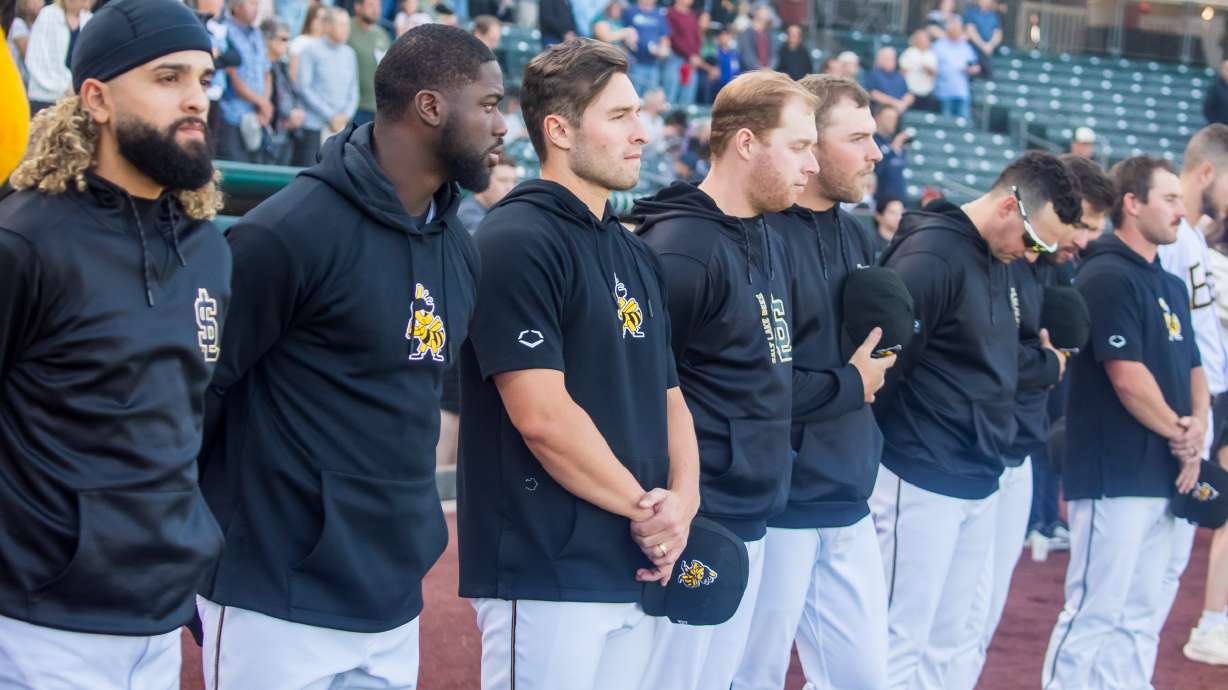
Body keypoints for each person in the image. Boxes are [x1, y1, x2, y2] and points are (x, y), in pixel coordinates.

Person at [196, 24, 505, 688]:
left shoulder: (459, 249)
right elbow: (199, 396)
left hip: (392, 596)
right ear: (430, 107)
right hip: (274, 598)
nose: (502, 124)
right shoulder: (287, 232)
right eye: (487, 103)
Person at [458, 39, 699, 690]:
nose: (643, 134)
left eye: (639, 116)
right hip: (545, 571)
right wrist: (648, 510)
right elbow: (540, 415)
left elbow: (670, 396)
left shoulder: (635, 254)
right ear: (559, 130)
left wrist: (683, 502)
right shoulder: (515, 240)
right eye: (619, 116)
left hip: (637, 565)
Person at [0, 1, 228, 686]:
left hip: (159, 623)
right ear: (95, 98)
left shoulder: (208, 252)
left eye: (205, 79)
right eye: (168, 78)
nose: (195, 100)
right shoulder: (24, 241)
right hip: (39, 630)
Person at [631, 69, 820, 690]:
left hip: (753, 512)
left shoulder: (768, 234)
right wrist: (672, 509)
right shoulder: (681, 248)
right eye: (798, 146)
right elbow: (640, 391)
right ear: (745, 143)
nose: (811, 165)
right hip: (694, 524)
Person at [872, 151, 1082, 690]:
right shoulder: (931, 255)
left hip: (978, 472)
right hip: (919, 470)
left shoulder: (1001, 260)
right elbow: (884, 367)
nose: (1036, 255)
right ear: (1010, 205)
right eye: (1036, 241)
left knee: (953, 637)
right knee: (896, 639)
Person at [731, 75, 893, 690]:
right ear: (808, 143)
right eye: (858, 138)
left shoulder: (858, 234)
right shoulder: (760, 232)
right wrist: (852, 384)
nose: (876, 153)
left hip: (849, 497)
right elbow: (753, 380)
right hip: (778, 506)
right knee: (751, 677)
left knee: (864, 679)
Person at [1043, 157, 1206, 690]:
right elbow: (1126, 377)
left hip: (1166, 471)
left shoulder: (1170, 284)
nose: (1182, 212)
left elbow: (1196, 368)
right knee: (1095, 610)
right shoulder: (1105, 273)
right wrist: (1181, 434)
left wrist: (1196, 430)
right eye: (1170, 199)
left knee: (1143, 614)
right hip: (1114, 472)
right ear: (1131, 204)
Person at [946, 209, 1082, 689]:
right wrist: (1046, 362)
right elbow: (990, 358)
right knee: (940, 619)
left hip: (1015, 448)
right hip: (965, 452)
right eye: (1079, 226)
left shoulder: (1046, 271)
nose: (1081, 240)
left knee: (980, 613)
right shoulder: (995, 265)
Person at [1159, 125, 1228, 667]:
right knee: (1156, 558)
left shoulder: (1194, 235)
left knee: (1171, 558)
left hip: (1206, 402)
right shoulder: (1175, 234)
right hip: (1184, 407)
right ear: (1207, 172)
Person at [1027, 154, 1116, 551]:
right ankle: (1039, 520)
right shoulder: (1027, 262)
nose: (1085, 240)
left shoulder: (1060, 261)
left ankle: (1045, 518)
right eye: (1081, 225)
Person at [296, 7, 359, 162]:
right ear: (328, 25)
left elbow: (354, 90)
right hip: (314, 127)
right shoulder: (310, 50)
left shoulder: (350, 54)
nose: (346, 30)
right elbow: (303, 87)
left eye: (347, 25)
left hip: (341, 128)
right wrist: (330, 115)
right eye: (341, 25)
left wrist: (345, 116)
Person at [219, 0, 272, 161]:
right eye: (251, 3)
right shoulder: (225, 31)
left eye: (257, 4)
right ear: (236, 7)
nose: (255, 9)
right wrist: (262, 103)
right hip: (233, 114)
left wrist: (265, 104)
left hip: (258, 115)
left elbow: (266, 72)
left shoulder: (257, 34)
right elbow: (231, 74)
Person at [24, 0, 92, 112]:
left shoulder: (89, 19)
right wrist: (65, 87)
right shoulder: (47, 15)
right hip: (45, 98)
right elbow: (36, 59)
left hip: (75, 99)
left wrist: (76, 88)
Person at [261, 17, 307, 165]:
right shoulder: (260, 66)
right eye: (283, 39)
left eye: (288, 40)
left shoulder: (282, 66)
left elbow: (293, 93)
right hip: (266, 136)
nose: (287, 44)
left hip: (285, 135)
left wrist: (297, 112)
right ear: (268, 39)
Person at [349, 0, 392, 126]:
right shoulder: (347, 29)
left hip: (378, 107)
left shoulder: (382, 34)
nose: (376, 9)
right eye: (371, 5)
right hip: (355, 106)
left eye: (378, 5)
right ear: (358, 7)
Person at [932, 15, 979, 120]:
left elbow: (975, 65)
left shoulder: (965, 46)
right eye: (955, 28)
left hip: (962, 91)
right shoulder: (938, 46)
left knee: (963, 124)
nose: (958, 31)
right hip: (943, 92)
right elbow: (932, 66)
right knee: (946, 123)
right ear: (948, 29)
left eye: (959, 28)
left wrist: (972, 69)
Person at [623, 0, 671, 97]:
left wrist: (662, 49)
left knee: (651, 96)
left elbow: (664, 38)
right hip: (634, 62)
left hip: (653, 64)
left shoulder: (659, 14)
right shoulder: (630, 11)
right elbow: (622, 31)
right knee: (633, 95)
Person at [456, 156, 517, 233]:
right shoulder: (467, 213)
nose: (510, 187)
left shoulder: (501, 212)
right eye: (503, 180)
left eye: (514, 181)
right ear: (484, 180)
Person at [873, 104, 910, 205]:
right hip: (880, 199)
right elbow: (876, 170)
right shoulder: (872, 141)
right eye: (889, 117)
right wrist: (892, 149)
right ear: (877, 119)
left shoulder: (896, 141)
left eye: (895, 118)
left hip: (899, 197)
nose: (893, 121)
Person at [666, 0, 701, 106]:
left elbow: (697, 37)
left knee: (687, 97)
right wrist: (690, 55)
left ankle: (682, 121)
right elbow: (673, 38)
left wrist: (696, 54)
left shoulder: (692, 15)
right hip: (675, 58)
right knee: (671, 95)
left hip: (690, 62)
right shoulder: (670, 13)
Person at [864, 47, 914, 115]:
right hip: (881, 109)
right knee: (890, 114)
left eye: (892, 59)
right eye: (887, 59)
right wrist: (895, 103)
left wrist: (903, 104)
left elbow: (909, 94)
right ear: (879, 60)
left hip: (901, 109)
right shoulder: (873, 74)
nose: (891, 61)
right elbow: (873, 94)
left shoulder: (899, 75)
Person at [899, 28, 939, 112]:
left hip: (927, 92)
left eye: (925, 39)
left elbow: (935, 74)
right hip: (910, 91)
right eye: (921, 39)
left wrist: (927, 68)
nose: (924, 41)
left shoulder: (931, 55)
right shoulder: (909, 53)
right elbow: (902, 71)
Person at [289, 1, 327, 82]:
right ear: (310, 18)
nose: (320, 22)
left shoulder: (329, 44)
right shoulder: (300, 42)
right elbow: (293, 73)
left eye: (324, 19)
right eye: (317, 17)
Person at [963, 0, 1001, 80]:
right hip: (973, 50)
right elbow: (970, 30)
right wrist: (983, 45)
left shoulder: (993, 15)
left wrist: (990, 45)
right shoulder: (971, 13)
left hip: (988, 51)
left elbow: (998, 34)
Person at [736, 4, 776, 72]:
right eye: (763, 11)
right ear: (756, 13)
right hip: (752, 74)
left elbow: (774, 54)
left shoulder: (769, 33)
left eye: (766, 12)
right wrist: (760, 68)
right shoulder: (746, 33)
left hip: (768, 73)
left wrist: (770, 67)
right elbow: (747, 55)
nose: (766, 14)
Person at [873, 196, 904, 261]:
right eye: (892, 212)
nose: (898, 217)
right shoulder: (870, 242)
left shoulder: (907, 242)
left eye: (901, 213)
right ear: (878, 216)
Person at [1204, 59, 1228, 127]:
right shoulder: (1215, 88)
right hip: (1220, 128)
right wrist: (1217, 125)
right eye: (1226, 69)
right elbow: (1208, 109)